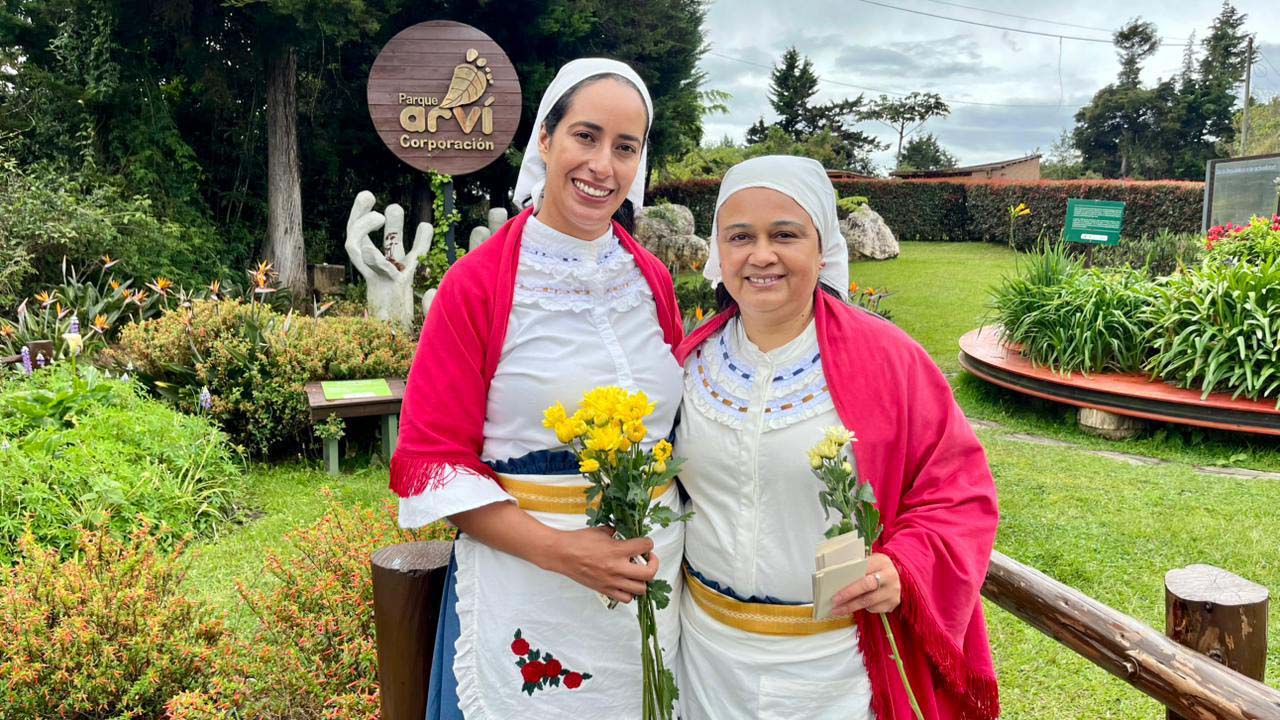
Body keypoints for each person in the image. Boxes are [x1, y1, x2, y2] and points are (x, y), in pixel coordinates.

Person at [390, 59, 685, 719]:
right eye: (585, 136)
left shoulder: (652, 281)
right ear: (545, 141)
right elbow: (432, 461)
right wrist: (561, 550)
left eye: (625, 147)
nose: (602, 165)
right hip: (528, 591)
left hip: (648, 596)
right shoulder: (478, 285)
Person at [673, 155, 999, 719]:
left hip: (833, 669)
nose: (761, 255)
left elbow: (959, 493)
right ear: (717, 251)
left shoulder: (891, 361)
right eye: (740, 236)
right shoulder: (690, 362)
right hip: (705, 658)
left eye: (785, 234)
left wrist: (903, 566)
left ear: (822, 248)